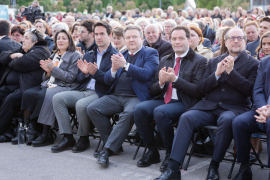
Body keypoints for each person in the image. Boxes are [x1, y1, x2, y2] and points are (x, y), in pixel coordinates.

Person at [155, 27, 259, 180]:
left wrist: (232, 73)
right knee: (187, 117)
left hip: (234, 108)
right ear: (225, 41)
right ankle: (173, 168)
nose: (236, 40)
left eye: (239, 38)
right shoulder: (214, 61)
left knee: (226, 120)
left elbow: (250, 91)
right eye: (232, 38)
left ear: (245, 41)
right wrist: (216, 74)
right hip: (209, 106)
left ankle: (214, 165)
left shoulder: (254, 63)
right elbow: (202, 89)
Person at [133, 25, 207, 172]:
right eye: (174, 39)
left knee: (161, 112)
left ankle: (170, 154)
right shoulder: (165, 59)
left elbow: (198, 91)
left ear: (189, 40)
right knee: (139, 110)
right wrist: (160, 83)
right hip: (163, 99)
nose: (177, 42)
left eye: (181, 38)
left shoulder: (200, 61)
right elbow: (153, 90)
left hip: (185, 101)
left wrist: (176, 79)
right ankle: (152, 150)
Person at [87, 24, 159, 168]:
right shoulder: (122, 54)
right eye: (128, 37)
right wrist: (113, 70)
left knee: (129, 113)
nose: (131, 40)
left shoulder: (150, 53)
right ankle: (115, 145)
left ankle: (106, 150)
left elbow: (147, 74)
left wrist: (125, 65)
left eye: (134, 37)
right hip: (116, 96)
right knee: (92, 108)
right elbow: (108, 79)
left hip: (136, 97)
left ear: (142, 38)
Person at [51, 21, 118, 153]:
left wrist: (95, 73)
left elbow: (111, 81)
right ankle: (68, 137)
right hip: (85, 90)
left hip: (102, 92)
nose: (99, 37)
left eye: (102, 34)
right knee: (58, 98)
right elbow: (79, 79)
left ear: (109, 36)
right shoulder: (90, 53)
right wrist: (85, 73)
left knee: (81, 104)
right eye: (97, 34)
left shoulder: (114, 55)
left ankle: (83, 138)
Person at [20, 29, 81, 146]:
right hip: (50, 84)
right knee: (28, 93)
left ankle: (46, 133)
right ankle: (30, 127)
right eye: (58, 38)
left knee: (45, 95)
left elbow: (71, 77)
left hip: (66, 86)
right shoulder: (55, 54)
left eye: (64, 38)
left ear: (70, 40)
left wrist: (53, 69)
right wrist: (47, 72)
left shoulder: (75, 55)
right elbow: (45, 78)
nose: (61, 40)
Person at [0, 29, 50, 142]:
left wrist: (12, 61)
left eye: (26, 38)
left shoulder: (41, 51)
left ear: (35, 41)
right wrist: (13, 55)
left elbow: (22, 63)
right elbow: (3, 56)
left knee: (10, 100)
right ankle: (6, 130)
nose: (23, 40)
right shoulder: (23, 49)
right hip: (10, 86)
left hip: (27, 87)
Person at [232, 47, 270, 180]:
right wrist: (263, 109)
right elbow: (258, 90)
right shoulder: (265, 62)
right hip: (262, 109)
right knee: (240, 122)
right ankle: (245, 168)